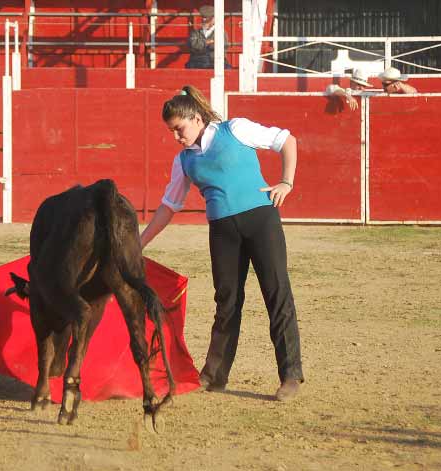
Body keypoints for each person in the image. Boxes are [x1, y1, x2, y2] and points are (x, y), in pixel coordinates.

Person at [140, 85, 304, 402]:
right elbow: (168, 207)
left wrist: (287, 181)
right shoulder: (184, 161)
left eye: (179, 129)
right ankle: (214, 376)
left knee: (276, 293)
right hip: (222, 230)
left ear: (197, 118)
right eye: (172, 131)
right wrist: (140, 242)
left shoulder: (235, 128)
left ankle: (290, 375)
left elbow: (286, 140)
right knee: (226, 301)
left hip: (260, 220)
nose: (176, 137)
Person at [185, 5, 230, 69]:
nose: (204, 20)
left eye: (207, 19)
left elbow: (222, 48)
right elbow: (193, 45)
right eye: (203, 18)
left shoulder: (221, 32)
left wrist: (201, 45)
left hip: (214, 64)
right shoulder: (195, 32)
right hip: (197, 64)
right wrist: (208, 42)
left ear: (214, 19)